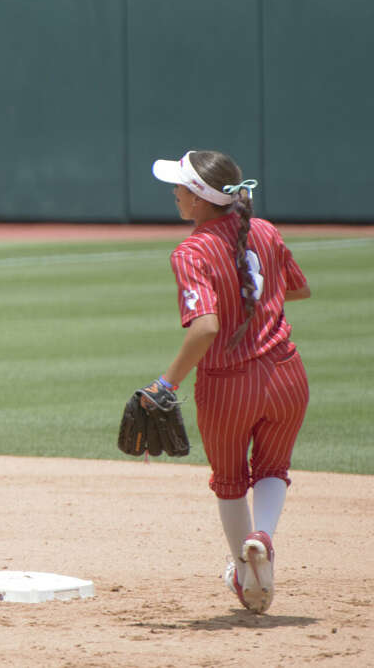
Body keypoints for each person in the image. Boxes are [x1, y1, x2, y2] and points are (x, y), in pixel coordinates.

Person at [149, 149, 311, 614]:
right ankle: (263, 536)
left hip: (228, 384)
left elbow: (206, 327)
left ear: (199, 200)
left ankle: (246, 572)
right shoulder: (264, 230)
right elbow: (296, 288)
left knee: (230, 480)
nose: (174, 193)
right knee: (272, 469)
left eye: (180, 186)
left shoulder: (191, 251)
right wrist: (255, 302)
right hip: (287, 375)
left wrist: (166, 383)